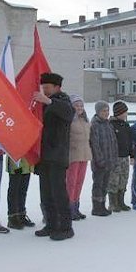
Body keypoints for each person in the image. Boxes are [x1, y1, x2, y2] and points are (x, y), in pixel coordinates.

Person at [32, 72, 75, 241]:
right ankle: (51, 224)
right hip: (44, 155)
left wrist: (49, 101)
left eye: (47, 88)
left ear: (57, 87)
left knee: (59, 193)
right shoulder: (43, 103)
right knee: (46, 193)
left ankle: (66, 227)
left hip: (57, 155)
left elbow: (68, 112)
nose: (44, 90)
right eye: (43, 88)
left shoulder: (63, 100)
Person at [90, 100, 118, 216]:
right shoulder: (95, 125)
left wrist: (114, 158)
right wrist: (100, 160)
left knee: (105, 184)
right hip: (99, 162)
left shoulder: (108, 124)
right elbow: (94, 144)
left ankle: (103, 205)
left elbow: (113, 142)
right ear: (98, 112)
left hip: (109, 160)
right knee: (98, 184)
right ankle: (96, 207)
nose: (106, 113)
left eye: (107, 111)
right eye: (103, 111)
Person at [66, 94, 92, 221]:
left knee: (79, 182)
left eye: (81, 105)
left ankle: (76, 207)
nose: (79, 108)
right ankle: (69, 208)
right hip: (73, 155)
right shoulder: (69, 121)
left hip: (84, 154)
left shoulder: (85, 120)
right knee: (71, 182)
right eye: (76, 105)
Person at [107, 101, 134, 212]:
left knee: (123, 179)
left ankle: (121, 201)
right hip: (115, 157)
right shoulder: (111, 125)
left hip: (124, 157)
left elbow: (130, 141)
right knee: (114, 180)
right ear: (119, 113)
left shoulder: (126, 125)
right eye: (124, 112)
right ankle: (113, 203)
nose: (126, 114)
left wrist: (132, 155)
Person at [6, 157, 36, 229]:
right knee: (14, 190)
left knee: (23, 189)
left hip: (27, 161)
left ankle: (21, 214)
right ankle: (12, 216)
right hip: (16, 161)